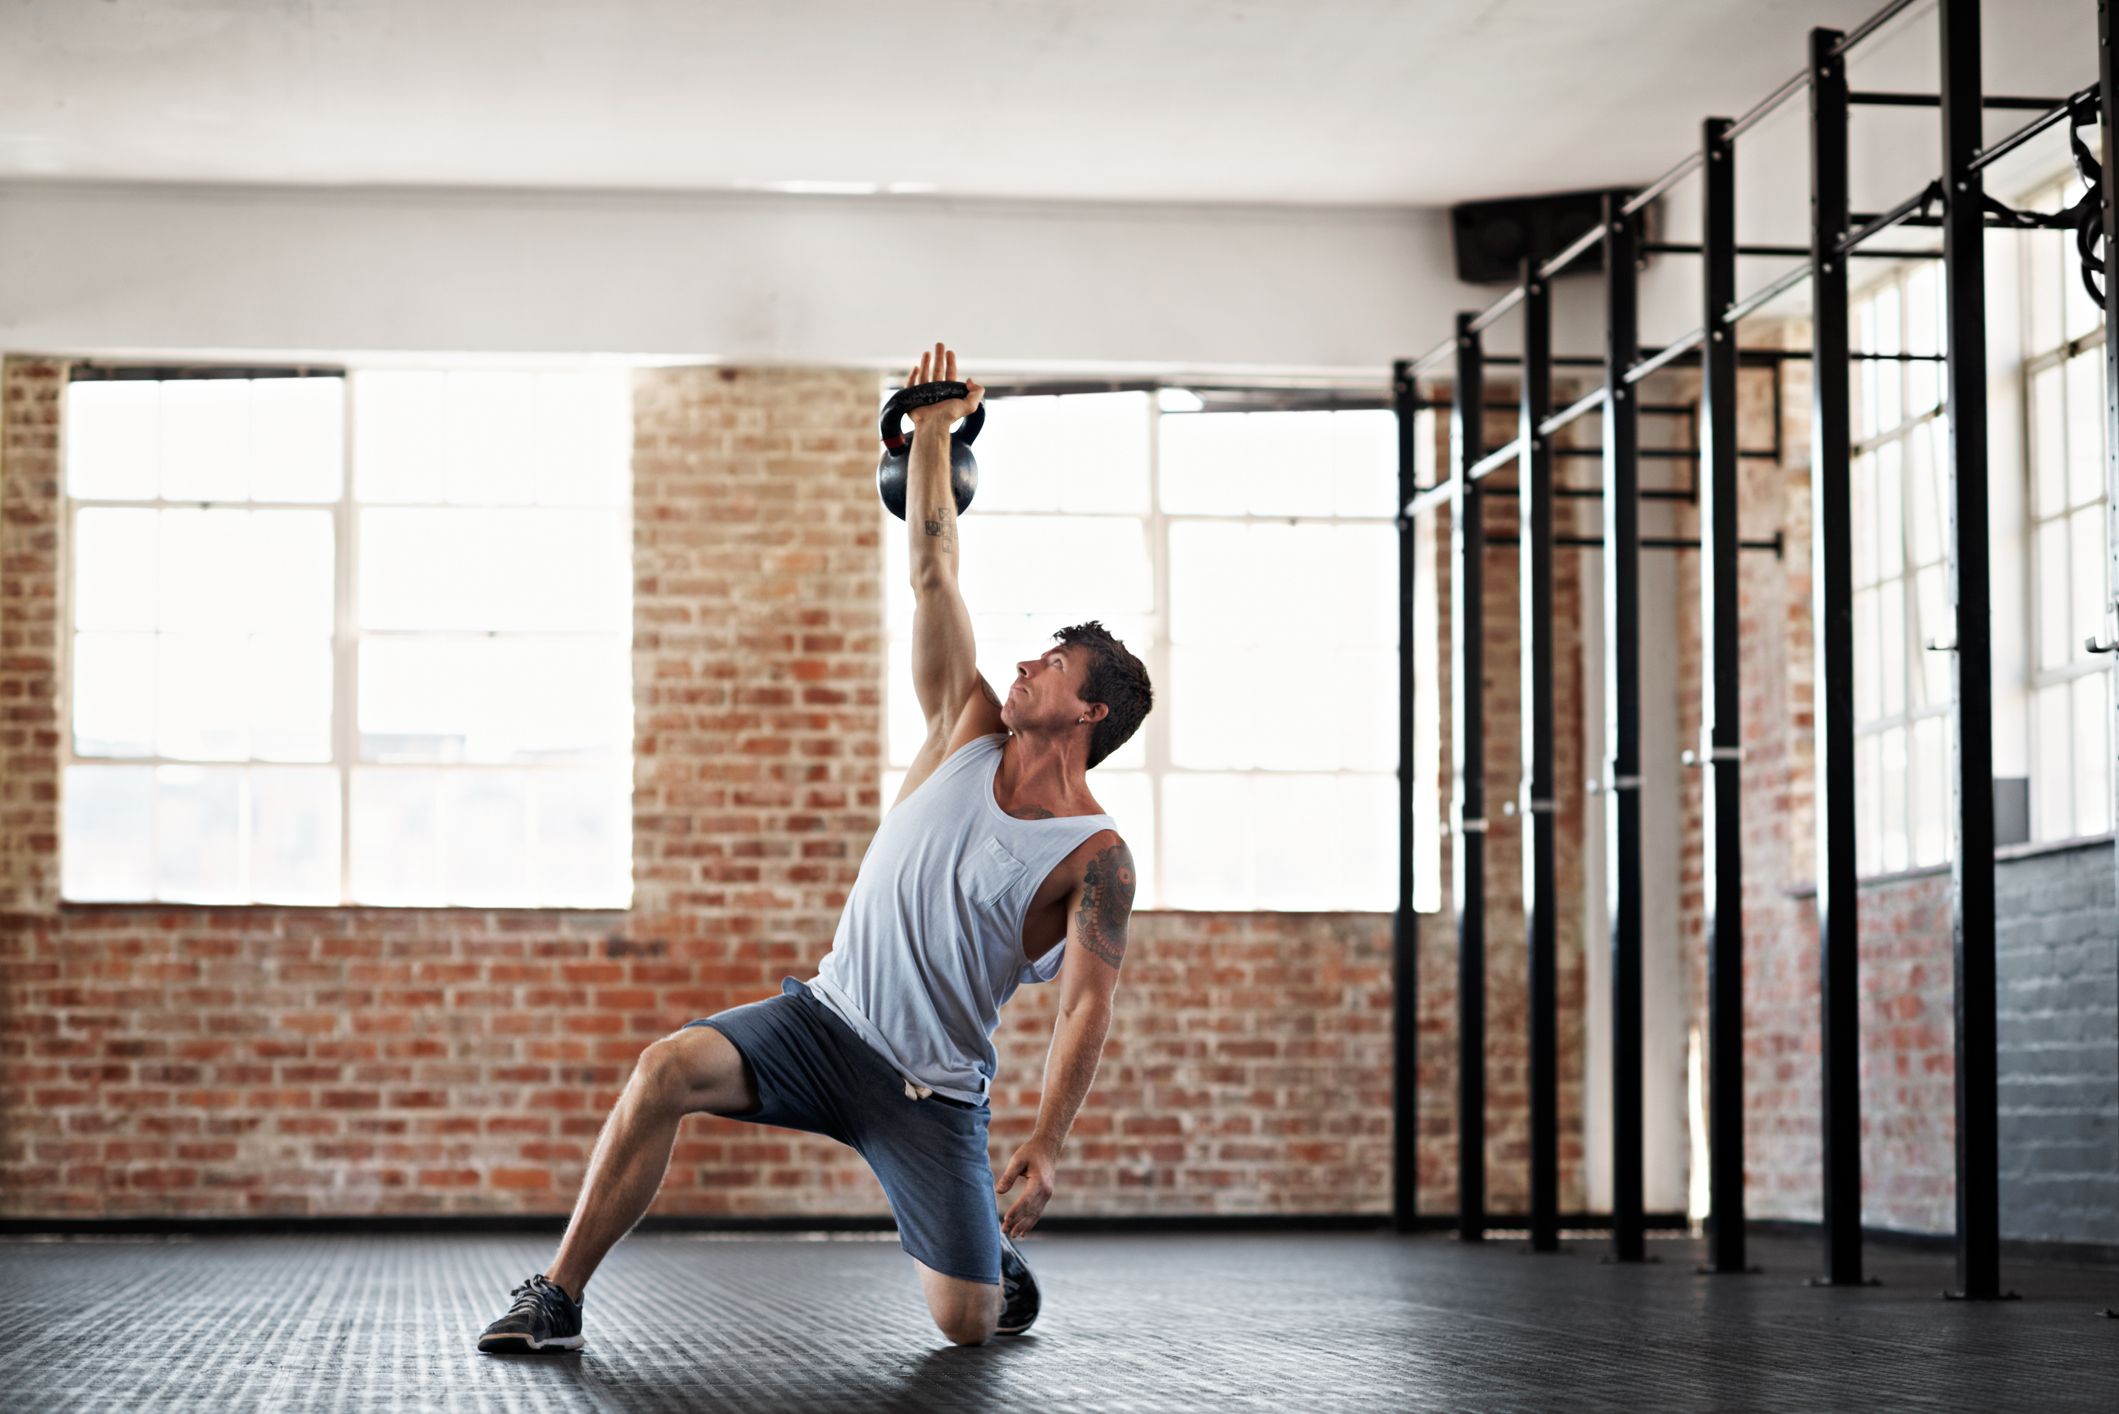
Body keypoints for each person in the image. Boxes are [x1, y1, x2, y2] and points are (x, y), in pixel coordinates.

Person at [479, 342, 1153, 1353]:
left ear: (1091, 710)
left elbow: (1086, 1007)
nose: (1024, 662)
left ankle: (986, 1261)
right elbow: (933, 568)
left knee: (968, 1326)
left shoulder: (1096, 858)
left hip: (930, 1092)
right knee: (663, 1069)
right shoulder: (961, 730)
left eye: (1052, 664)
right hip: (821, 1023)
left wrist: (1047, 1144)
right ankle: (557, 1293)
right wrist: (929, 433)